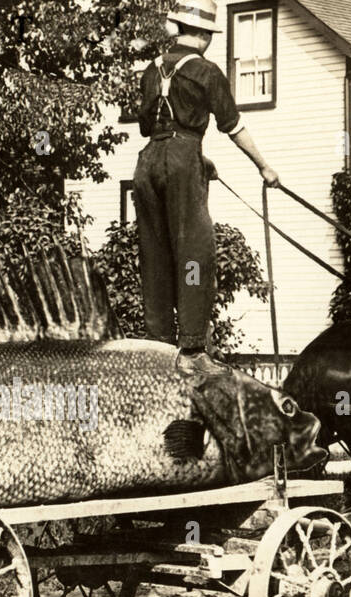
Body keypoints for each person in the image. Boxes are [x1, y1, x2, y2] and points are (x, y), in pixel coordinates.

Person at [133, 0, 281, 378]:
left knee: (156, 251)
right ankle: (193, 345)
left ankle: (158, 342)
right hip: (182, 163)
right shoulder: (206, 71)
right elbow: (232, 126)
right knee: (195, 253)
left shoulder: (151, 70)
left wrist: (193, 157)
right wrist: (264, 166)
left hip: (148, 164)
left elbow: (149, 128)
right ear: (201, 35)